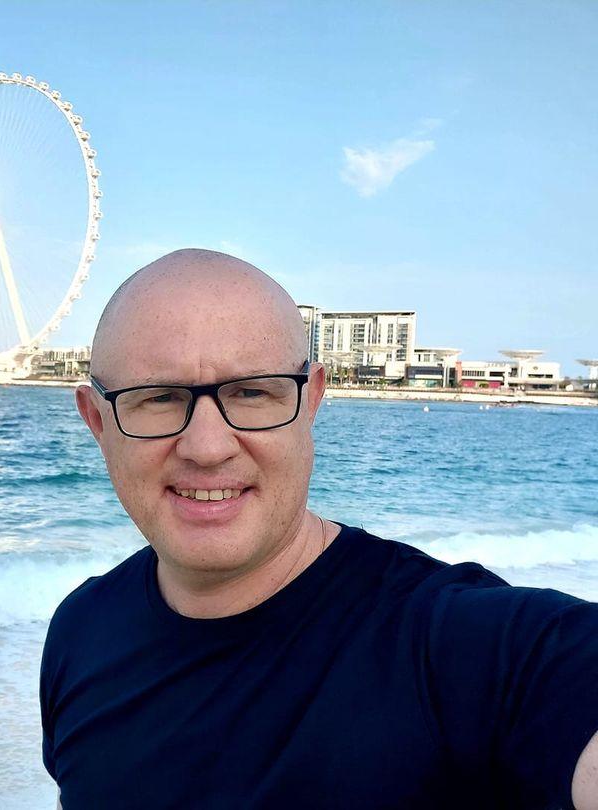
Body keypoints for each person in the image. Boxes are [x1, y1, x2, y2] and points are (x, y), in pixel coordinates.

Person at [39, 249, 598, 809]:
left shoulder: (466, 648)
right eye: (159, 398)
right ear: (96, 420)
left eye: (252, 392)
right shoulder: (79, 632)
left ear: (311, 400)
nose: (207, 447)